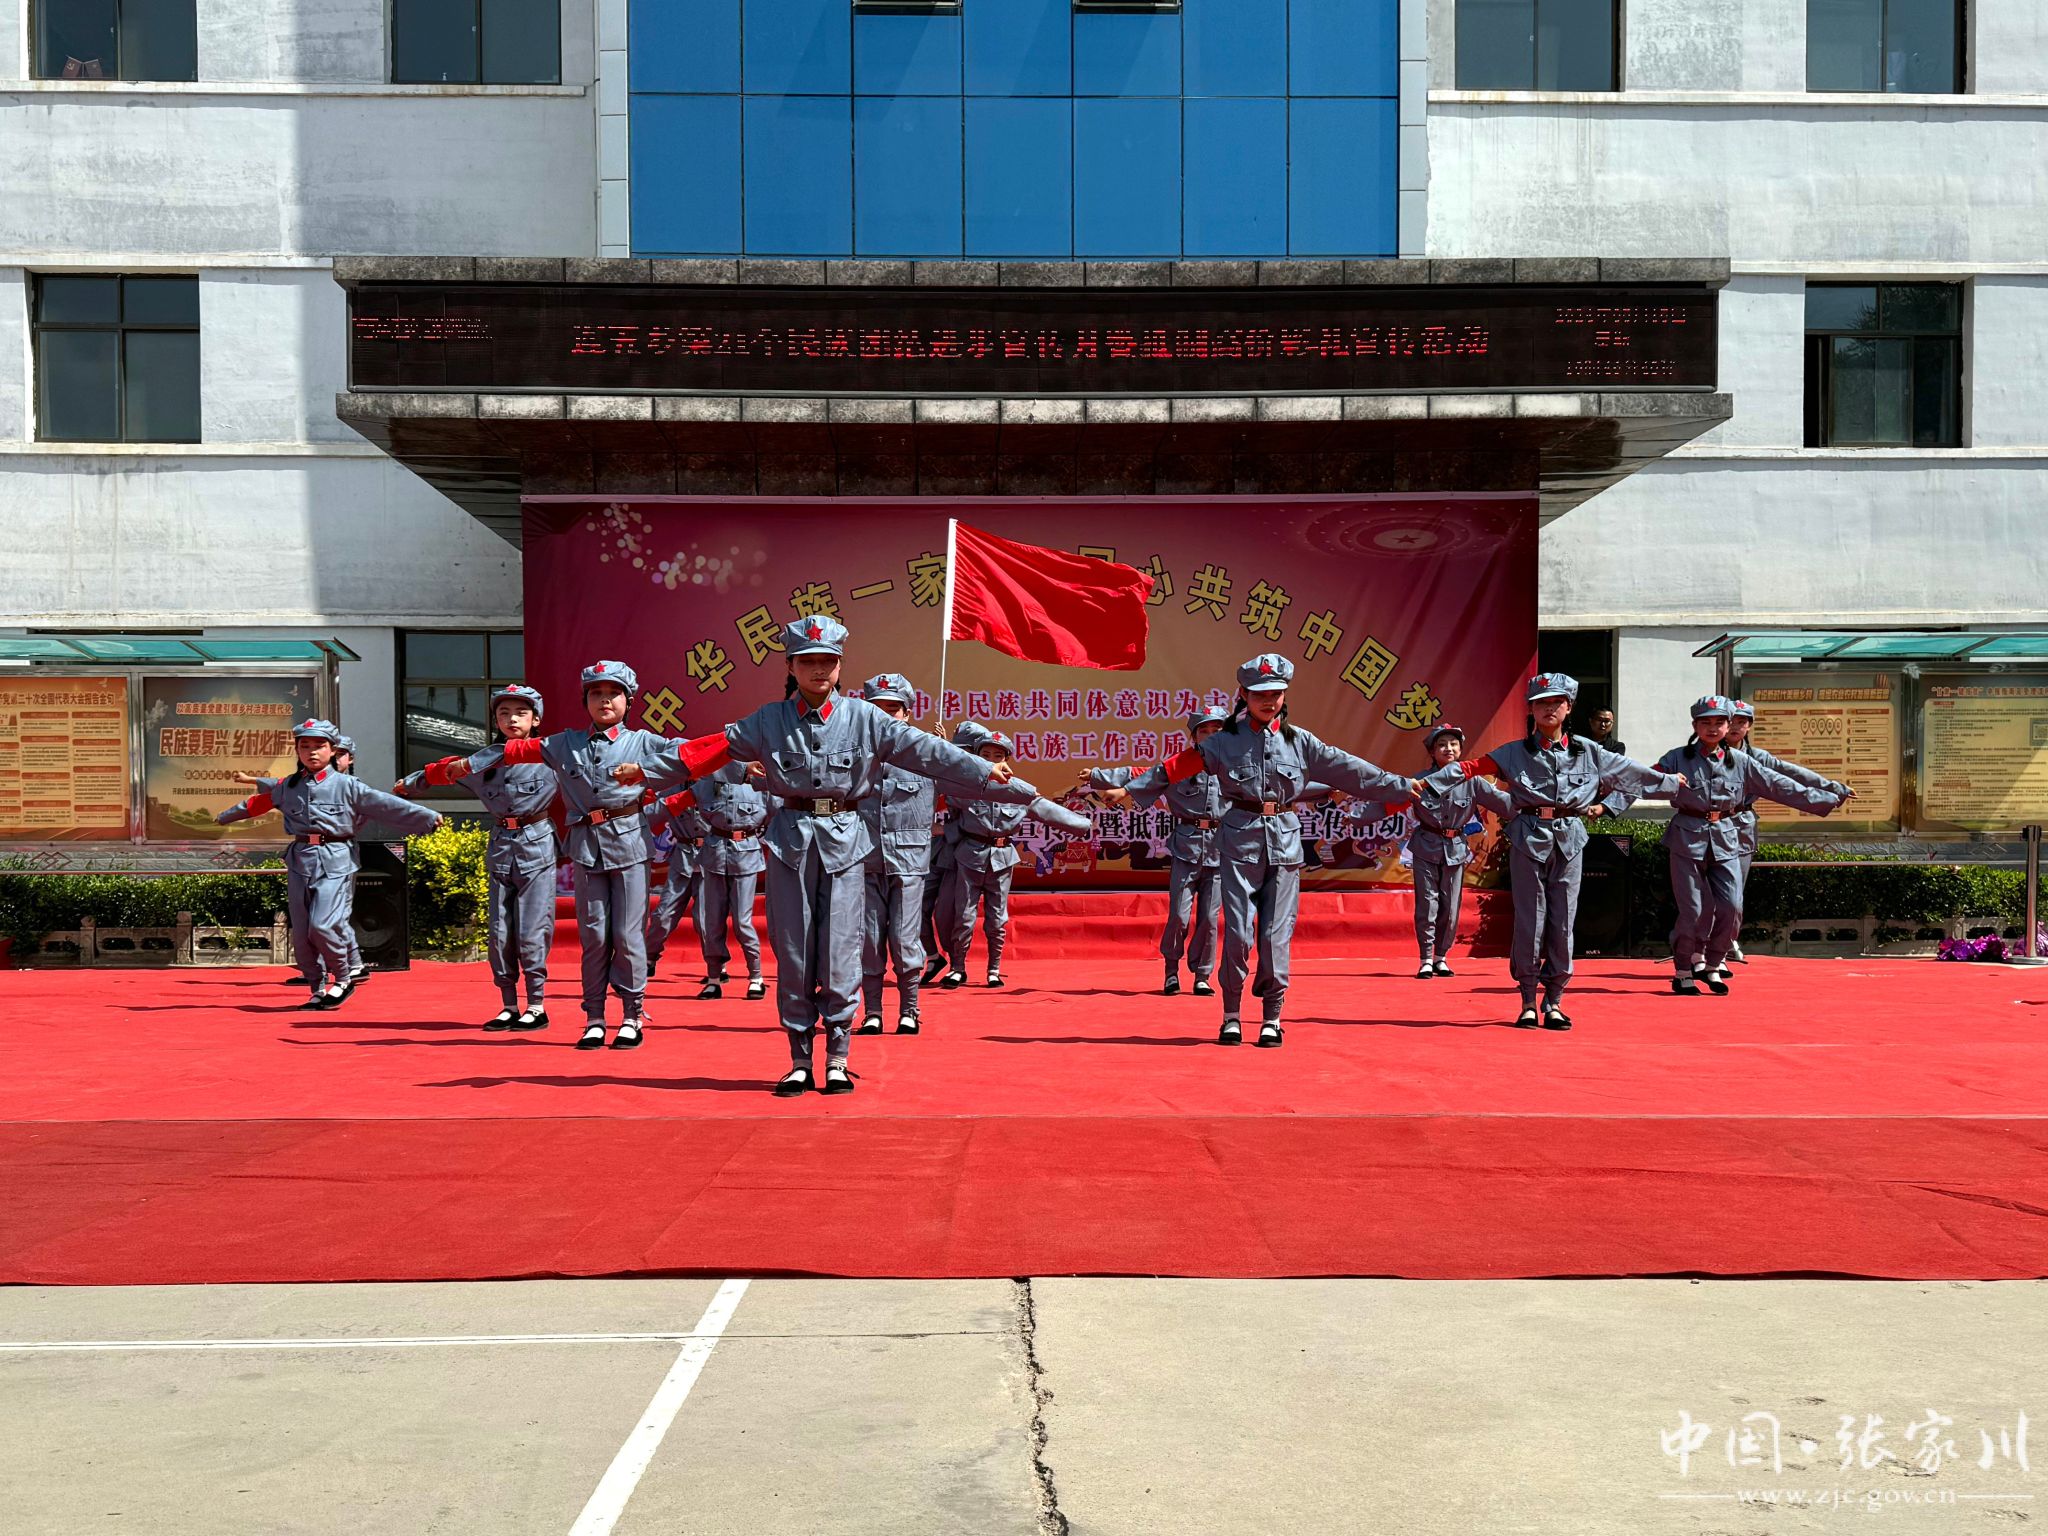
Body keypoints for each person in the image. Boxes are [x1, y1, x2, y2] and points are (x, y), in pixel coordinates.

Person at [616, 616, 1089, 1096]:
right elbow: (712, 748)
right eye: (808, 662)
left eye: (828, 661)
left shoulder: (866, 718)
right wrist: (648, 771)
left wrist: (985, 769)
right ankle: (800, 1058)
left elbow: (927, 750)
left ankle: (838, 1056)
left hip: (845, 842)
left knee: (842, 948)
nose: (819, 669)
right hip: (790, 843)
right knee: (795, 951)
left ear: (840, 666)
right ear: (791, 666)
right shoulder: (768, 720)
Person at [1095, 654, 1417, 1048]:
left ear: (1285, 695)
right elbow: (1175, 767)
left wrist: (1400, 786)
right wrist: (1128, 789)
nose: (1269, 700)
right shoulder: (1224, 742)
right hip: (1238, 842)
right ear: (1243, 695)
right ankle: (1231, 1015)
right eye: (1260, 693)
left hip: (1285, 844)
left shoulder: (1301, 742)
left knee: (1275, 937)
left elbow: (1349, 768)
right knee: (1238, 932)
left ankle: (1272, 1016)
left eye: (1276, 693)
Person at [427, 660, 669, 1052]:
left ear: (629, 700)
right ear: (585, 701)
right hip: (587, 847)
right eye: (596, 693)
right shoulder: (564, 744)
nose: (605, 700)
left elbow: (689, 756)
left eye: (614, 694)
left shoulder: (645, 742)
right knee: (594, 936)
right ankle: (594, 1018)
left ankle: (631, 1015)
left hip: (629, 846)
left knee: (627, 935)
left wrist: (740, 767)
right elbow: (510, 751)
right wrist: (462, 766)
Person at [1422, 673, 1684, 1031]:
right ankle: (1528, 999)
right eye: (1541, 703)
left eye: (1556, 702)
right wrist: (1422, 786)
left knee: (1563, 922)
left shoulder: (1589, 752)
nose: (1549, 708)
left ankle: (1555, 999)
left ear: (1569, 707)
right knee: (1530, 921)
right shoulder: (1513, 753)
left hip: (1570, 838)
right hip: (1528, 838)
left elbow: (1629, 772)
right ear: (1531, 710)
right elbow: (1470, 769)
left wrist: (1670, 782)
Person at [853, 678, 1051, 1032]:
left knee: (905, 938)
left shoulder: (927, 758)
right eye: (876, 708)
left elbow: (981, 781)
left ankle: (909, 1009)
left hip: (909, 865)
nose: (884, 716)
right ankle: (872, 1011)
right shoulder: (851, 755)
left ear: (907, 714)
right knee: (869, 940)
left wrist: (1037, 800)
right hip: (866, 862)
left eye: (892, 709)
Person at [215, 719, 441, 1010]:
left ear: (333, 750)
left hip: (335, 859)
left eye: (319, 746)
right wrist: (223, 818)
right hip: (300, 859)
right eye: (305, 746)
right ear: (297, 750)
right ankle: (317, 986)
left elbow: (385, 804)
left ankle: (344, 978)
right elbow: (257, 803)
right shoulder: (289, 786)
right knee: (302, 930)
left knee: (323, 924)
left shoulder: (348, 786)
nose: (312, 752)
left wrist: (426, 817)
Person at [1637, 696, 1845, 995]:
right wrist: (1609, 799)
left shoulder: (1742, 761)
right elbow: (1645, 779)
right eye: (1705, 723)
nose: (1712, 728)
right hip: (1687, 839)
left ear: (1728, 726)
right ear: (1695, 726)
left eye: (1719, 722)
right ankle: (1683, 969)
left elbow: (1778, 784)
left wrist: (1826, 798)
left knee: (1732, 906)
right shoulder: (1677, 758)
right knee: (1693, 910)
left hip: (1727, 838)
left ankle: (1714, 964)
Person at [397, 684, 559, 1031]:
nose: (512, 719)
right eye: (504, 713)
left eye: (521, 713)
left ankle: (536, 1005)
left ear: (535, 719)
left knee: (532, 930)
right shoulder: (482, 761)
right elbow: (444, 771)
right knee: (500, 932)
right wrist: (410, 784)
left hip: (537, 846)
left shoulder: (551, 756)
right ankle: (509, 1005)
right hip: (501, 846)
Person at [1088, 706, 1231, 997]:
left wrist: (1320, 788)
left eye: (1217, 730)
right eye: (1204, 731)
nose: (1211, 736)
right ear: (1194, 738)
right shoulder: (1179, 767)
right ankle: (1171, 970)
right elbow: (1142, 773)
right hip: (1186, 848)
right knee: (1179, 915)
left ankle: (1202, 975)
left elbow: (1277, 784)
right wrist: (1097, 776)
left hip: (1220, 850)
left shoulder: (1235, 768)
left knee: (1209, 919)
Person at [1719, 697, 1854, 969]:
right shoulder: (1705, 753)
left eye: (1742, 722)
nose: (1735, 726)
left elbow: (1791, 774)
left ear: (1749, 727)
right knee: (1705, 893)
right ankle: (1702, 946)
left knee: (1733, 892)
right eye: (1731, 721)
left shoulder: (1758, 758)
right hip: (1707, 827)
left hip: (1740, 826)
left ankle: (1725, 942)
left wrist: (1832, 788)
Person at [1406, 725, 1514, 980]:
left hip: (1455, 849)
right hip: (1425, 845)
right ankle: (1425, 958)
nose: (1449, 749)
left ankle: (1441, 957)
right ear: (1432, 752)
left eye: (1453, 744)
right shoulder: (1420, 781)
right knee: (1427, 903)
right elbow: (1390, 801)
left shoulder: (1472, 781)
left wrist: (1535, 808)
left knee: (1451, 906)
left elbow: (1505, 804)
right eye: (1442, 744)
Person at [918, 721, 992, 987]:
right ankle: (932, 956)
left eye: (967, 750)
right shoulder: (942, 768)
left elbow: (978, 821)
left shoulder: (983, 778)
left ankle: (957, 964)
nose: (962, 754)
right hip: (931, 850)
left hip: (958, 851)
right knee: (915, 908)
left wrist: (944, 829)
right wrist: (937, 750)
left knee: (948, 914)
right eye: (957, 749)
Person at [690, 761, 770, 1001]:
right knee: (712, 921)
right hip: (715, 853)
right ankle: (714, 978)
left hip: (746, 855)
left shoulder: (760, 782)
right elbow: (683, 800)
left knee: (742, 922)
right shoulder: (708, 781)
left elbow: (778, 811)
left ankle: (756, 977)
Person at [644, 784, 707, 983]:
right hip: (682, 858)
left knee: (705, 919)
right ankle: (648, 958)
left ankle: (716, 966)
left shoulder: (718, 786)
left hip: (710, 859)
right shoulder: (672, 788)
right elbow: (650, 812)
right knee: (663, 914)